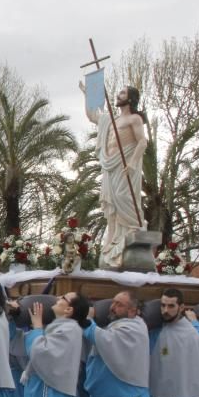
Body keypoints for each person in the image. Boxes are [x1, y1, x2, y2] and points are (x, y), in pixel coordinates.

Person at [81, 82, 148, 269]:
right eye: (119, 93)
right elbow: (93, 116)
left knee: (122, 196)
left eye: (123, 93)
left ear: (131, 98)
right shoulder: (110, 120)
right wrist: (88, 96)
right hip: (110, 166)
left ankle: (135, 225)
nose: (118, 96)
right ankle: (112, 237)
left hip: (126, 164)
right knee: (110, 203)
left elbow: (142, 142)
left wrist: (133, 163)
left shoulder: (134, 119)